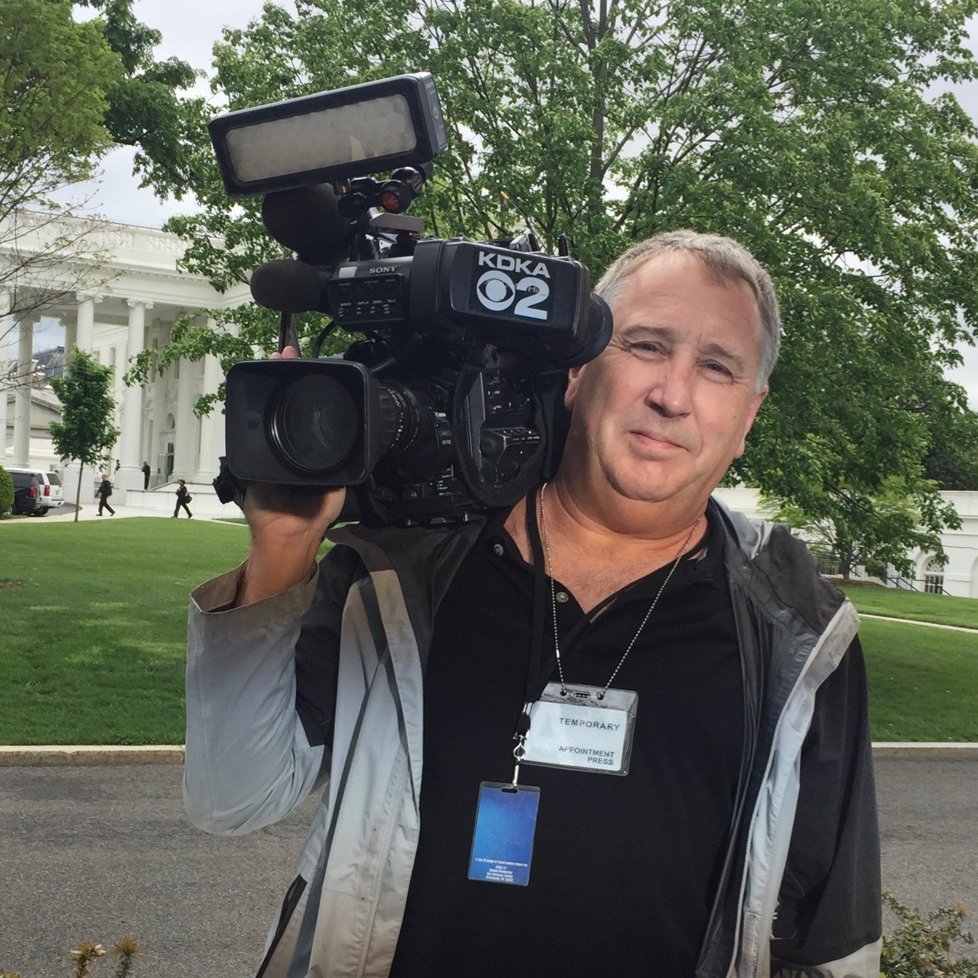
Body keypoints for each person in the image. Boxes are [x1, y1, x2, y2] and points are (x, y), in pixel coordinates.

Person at [183, 230, 881, 978]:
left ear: (748, 416)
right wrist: (284, 548)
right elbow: (233, 799)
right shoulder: (404, 569)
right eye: (646, 346)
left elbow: (830, 936)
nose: (672, 395)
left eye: (716, 368)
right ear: (575, 372)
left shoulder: (797, 630)